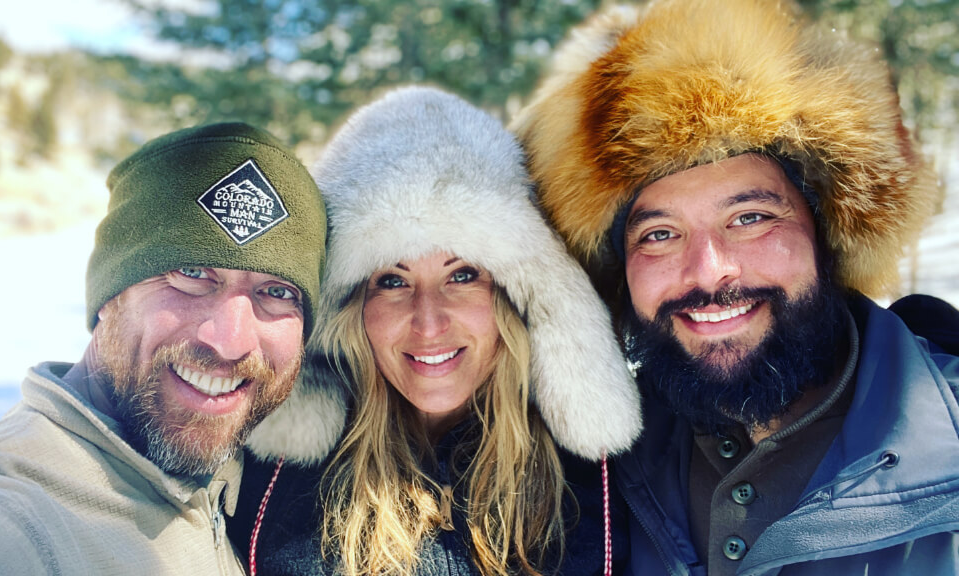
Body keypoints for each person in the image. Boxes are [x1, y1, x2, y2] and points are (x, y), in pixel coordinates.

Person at [511, 0, 959, 574]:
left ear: (829, 233)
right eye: (660, 233)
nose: (708, 270)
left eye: (750, 218)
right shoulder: (588, 473)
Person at [229, 86, 643, 576]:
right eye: (392, 280)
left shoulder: (617, 482)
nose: (429, 322)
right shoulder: (263, 482)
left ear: (516, 296)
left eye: (462, 275)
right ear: (351, 308)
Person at [0, 122, 327, 575]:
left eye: (278, 292)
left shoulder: (245, 480)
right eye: (192, 272)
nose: (231, 340)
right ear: (109, 295)